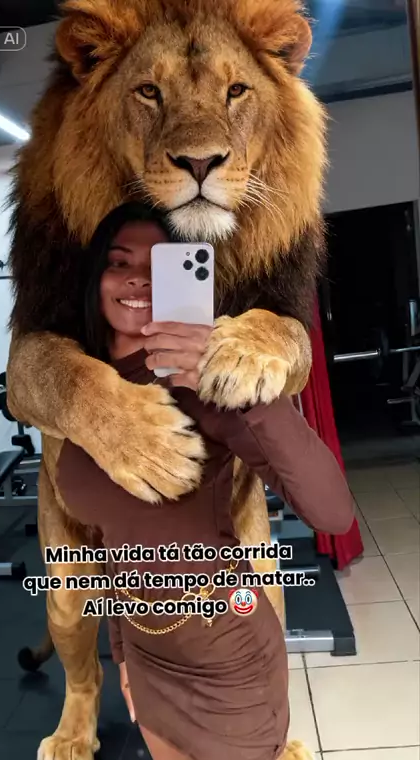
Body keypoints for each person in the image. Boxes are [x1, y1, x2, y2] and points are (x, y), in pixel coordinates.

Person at [55, 201, 355, 760]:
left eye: (159, 264)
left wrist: (243, 389)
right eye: (119, 262)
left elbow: (333, 512)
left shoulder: (206, 388)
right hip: (147, 655)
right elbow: (108, 543)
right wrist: (122, 655)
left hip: (227, 659)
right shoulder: (91, 394)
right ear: (96, 281)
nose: (137, 277)